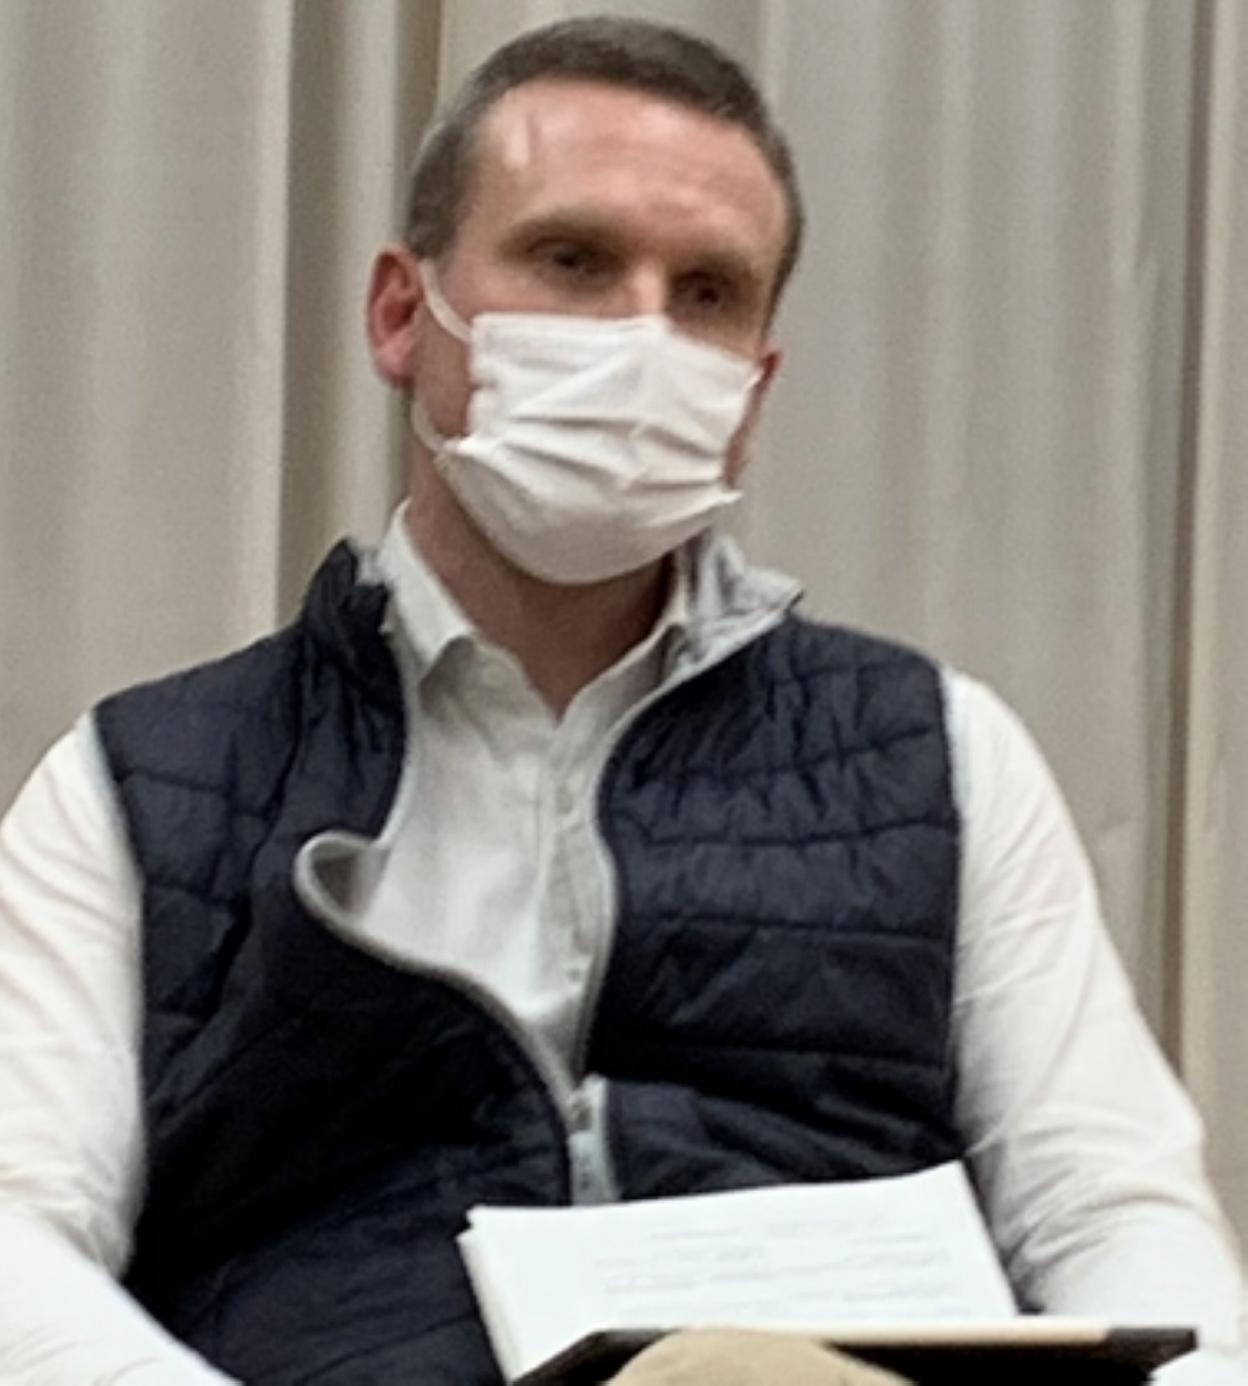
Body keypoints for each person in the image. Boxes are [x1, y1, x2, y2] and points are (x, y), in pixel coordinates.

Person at [0, 15, 1243, 1386]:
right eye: (574, 260)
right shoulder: (145, 785)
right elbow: (16, 1233)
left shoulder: (940, 755)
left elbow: (1112, 1211)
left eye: (707, 291)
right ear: (405, 314)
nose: (642, 334)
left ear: (753, 387)